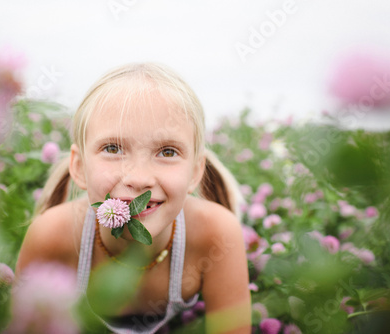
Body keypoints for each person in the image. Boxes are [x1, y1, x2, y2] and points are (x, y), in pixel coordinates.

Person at [16, 63, 251, 334]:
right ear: (79, 167)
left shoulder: (216, 234)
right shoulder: (51, 236)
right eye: (113, 148)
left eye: (167, 152)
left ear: (196, 171)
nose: (138, 178)